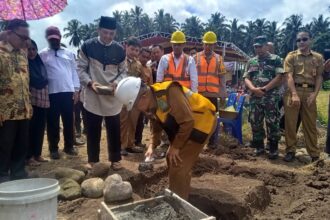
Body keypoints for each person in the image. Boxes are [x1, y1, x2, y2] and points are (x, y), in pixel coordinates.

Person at [115, 77, 216, 200]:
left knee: (178, 163)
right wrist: (152, 145)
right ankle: (178, 189)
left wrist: (176, 146)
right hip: (185, 125)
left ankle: (179, 203)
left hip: (202, 122)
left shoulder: (169, 92)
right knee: (171, 157)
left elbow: (188, 122)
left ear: (143, 96)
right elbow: (156, 124)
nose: (138, 109)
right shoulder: (152, 101)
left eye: (136, 105)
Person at [78, 16, 127, 170]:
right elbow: (80, 69)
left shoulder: (120, 50)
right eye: (105, 32)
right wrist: (90, 83)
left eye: (111, 34)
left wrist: (116, 83)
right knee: (93, 128)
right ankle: (93, 160)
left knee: (114, 128)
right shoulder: (87, 46)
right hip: (93, 93)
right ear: (98, 30)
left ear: (115, 33)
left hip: (112, 95)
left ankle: (115, 159)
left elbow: (124, 72)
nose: (108, 36)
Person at [40, 26, 80, 160]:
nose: (54, 42)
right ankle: (53, 149)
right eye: (51, 40)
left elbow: (74, 72)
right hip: (51, 93)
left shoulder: (69, 54)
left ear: (60, 38)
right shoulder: (42, 54)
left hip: (67, 92)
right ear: (47, 39)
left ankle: (69, 146)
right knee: (53, 122)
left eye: (56, 39)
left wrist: (76, 90)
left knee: (69, 121)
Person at [283, 32, 324, 162]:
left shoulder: (318, 57)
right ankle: (290, 150)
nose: (301, 42)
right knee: (290, 123)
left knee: (310, 124)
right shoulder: (291, 56)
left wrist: (315, 94)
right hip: (293, 90)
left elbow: (319, 77)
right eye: (298, 40)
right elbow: (288, 76)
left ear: (310, 40)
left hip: (310, 93)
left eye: (304, 39)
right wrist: (294, 94)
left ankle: (314, 154)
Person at [0, 19, 31, 183]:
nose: (26, 41)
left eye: (27, 38)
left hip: (24, 108)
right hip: (5, 111)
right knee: (4, 145)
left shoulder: (22, 54)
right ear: (9, 33)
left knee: (21, 144)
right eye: (22, 37)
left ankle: (18, 173)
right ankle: (2, 175)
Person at [243, 36, 283, 159]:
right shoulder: (251, 61)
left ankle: (273, 148)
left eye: (260, 46)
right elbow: (246, 78)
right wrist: (253, 89)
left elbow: (280, 77)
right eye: (256, 47)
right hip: (255, 97)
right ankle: (259, 146)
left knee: (272, 122)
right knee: (255, 121)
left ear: (266, 46)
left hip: (270, 97)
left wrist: (265, 89)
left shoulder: (276, 59)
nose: (258, 49)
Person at [194, 31, 226, 149]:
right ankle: (197, 141)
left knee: (212, 119)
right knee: (198, 118)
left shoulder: (219, 59)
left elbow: (222, 77)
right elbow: (191, 76)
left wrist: (223, 93)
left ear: (214, 45)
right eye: (206, 44)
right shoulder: (195, 57)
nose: (208, 47)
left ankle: (212, 142)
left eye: (210, 44)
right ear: (203, 44)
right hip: (199, 94)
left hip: (213, 94)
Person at [27, 40, 49, 166]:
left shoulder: (40, 64)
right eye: (29, 49)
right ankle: (28, 157)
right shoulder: (24, 64)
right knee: (30, 129)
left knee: (40, 128)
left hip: (42, 100)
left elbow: (45, 80)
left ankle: (37, 154)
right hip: (30, 100)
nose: (32, 52)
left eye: (34, 49)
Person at [120, 37, 144, 155]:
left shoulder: (139, 64)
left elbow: (141, 79)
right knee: (123, 121)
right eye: (132, 49)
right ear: (126, 46)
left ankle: (130, 144)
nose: (134, 52)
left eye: (136, 50)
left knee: (133, 121)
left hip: (135, 97)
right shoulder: (120, 60)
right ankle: (121, 146)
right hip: (122, 95)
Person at [135, 47, 153, 148]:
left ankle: (138, 141)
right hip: (134, 97)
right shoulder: (135, 66)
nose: (145, 59)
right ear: (139, 55)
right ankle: (129, 142)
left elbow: (151, 84)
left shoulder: (149, 68)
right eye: (143, 56)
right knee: (132, 121)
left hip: (144, 98)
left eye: (147, 57)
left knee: (140, 121)